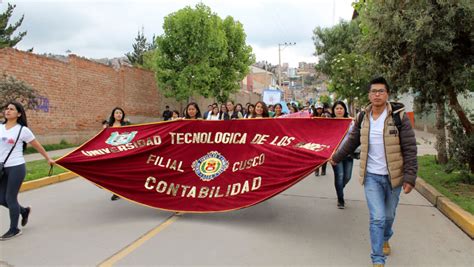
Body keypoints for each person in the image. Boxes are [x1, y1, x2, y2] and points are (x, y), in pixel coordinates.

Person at [330, 77, 417, 266]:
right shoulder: (363, 117)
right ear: (369, 95)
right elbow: (352, 141)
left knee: (388, 216)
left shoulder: (398, 116)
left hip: (394, 177)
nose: (377, 94)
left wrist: (410, 177)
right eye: (374, 91)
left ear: (387, 94)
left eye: (381, 91)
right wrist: (336, 157)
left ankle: (386, 237)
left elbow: (410, 148)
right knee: (377, 217)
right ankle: (378, 259)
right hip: (372, 177)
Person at [0, 101, 55, 240]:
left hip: (16, 167)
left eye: (11, 109)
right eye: (7, 109)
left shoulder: (22, 130)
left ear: (18, 114)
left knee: (10, 198)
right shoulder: (0, 127)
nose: (8, 111)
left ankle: (14, 229)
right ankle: (24, 211)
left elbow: (37, 145)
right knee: (1, 199)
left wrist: (48, 158)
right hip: (2, 167)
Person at [330, 101, 354, 209]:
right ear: (333, 111)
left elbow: (355, 137)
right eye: (337, 108)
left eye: (341, 108)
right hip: (335, 155)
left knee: (347, 177)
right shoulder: (329, 123)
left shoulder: (351, 122)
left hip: (348, 154)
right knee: (339, 176)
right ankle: (340, 199)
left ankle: (340, 188)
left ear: (344, 110)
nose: (339, 110)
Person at [104, 107, 130, 201]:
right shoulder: (108, 126)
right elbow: (103, 139)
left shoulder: (126, 125)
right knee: (112, 173)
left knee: (122, 173)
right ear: (113, 115)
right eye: (117, 113)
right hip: (111, 153)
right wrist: (104, 130)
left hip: (123, 152)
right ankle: (116, 191)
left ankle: (120, 191)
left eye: (120, 113)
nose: (119, 114)